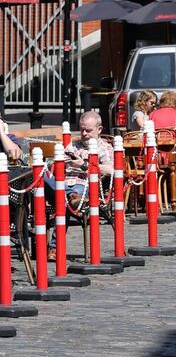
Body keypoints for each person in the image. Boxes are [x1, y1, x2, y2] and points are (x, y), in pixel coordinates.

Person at [44, 111, 114, 260]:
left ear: (99, 129)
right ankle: (70, 197)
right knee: (41, 176)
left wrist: (84, 165)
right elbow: (56, 164)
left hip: (85, 188)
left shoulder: (104, 147)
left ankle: (54, 248)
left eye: (88, 130)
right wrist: (60, 160)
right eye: (81, 129)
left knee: (62, 201)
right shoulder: (73, 145)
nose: (84, 133)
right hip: (61, 185)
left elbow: (111, 169)